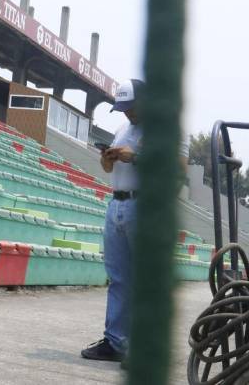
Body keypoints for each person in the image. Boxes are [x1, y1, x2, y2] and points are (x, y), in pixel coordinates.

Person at [80, 79, 188, 363]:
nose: (128, 113)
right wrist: (109, 158)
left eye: (132, 107)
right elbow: (109, 169)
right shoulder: (122, 129)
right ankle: (116, 342)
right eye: (124, 109)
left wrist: (136, 157)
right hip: (117, 203)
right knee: (119, 279)